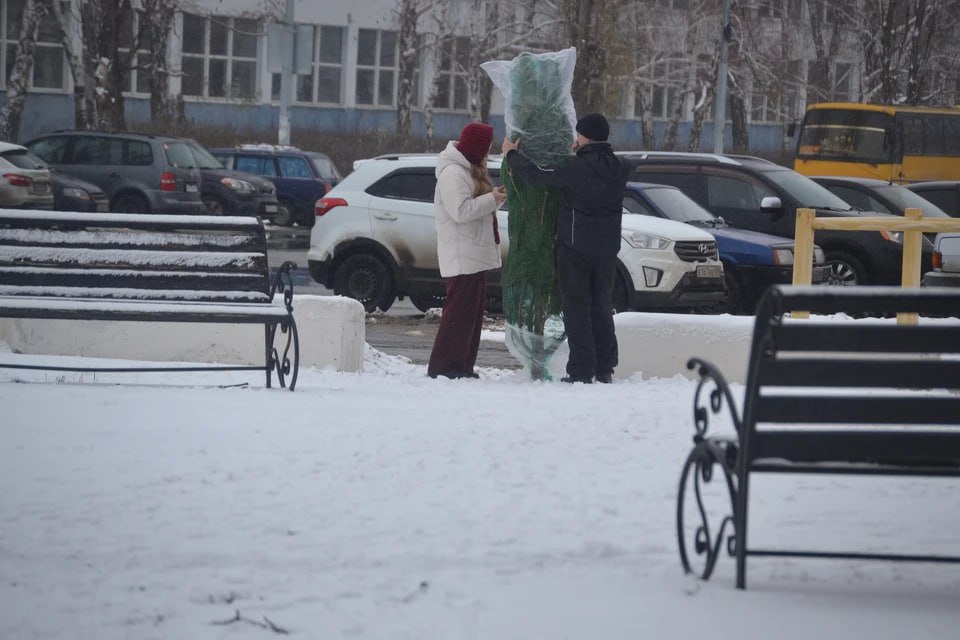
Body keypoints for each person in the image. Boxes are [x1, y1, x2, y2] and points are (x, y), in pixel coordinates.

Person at [501, 112, 627, 384]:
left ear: (584, 136)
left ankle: (581, 369)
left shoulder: (575, 168)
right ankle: (605, 366)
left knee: (577, 308)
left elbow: (540, 175)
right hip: (607, 251)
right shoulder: (619, 168)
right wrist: (583, 151)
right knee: (602, 306)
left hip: (576, 247)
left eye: (578, 135)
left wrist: (512, 155)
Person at [428, 122, 507, 379]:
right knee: (459, 316)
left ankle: (461, 367)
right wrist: (492, 199)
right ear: (474, 147)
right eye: (485, 148)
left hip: (473, 254)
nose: (488, 153)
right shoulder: (453, 173)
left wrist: (495, 196)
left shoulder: (468, 171)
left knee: (471, 317)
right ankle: (445, 368)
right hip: (463, 255)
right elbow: (460, 211)